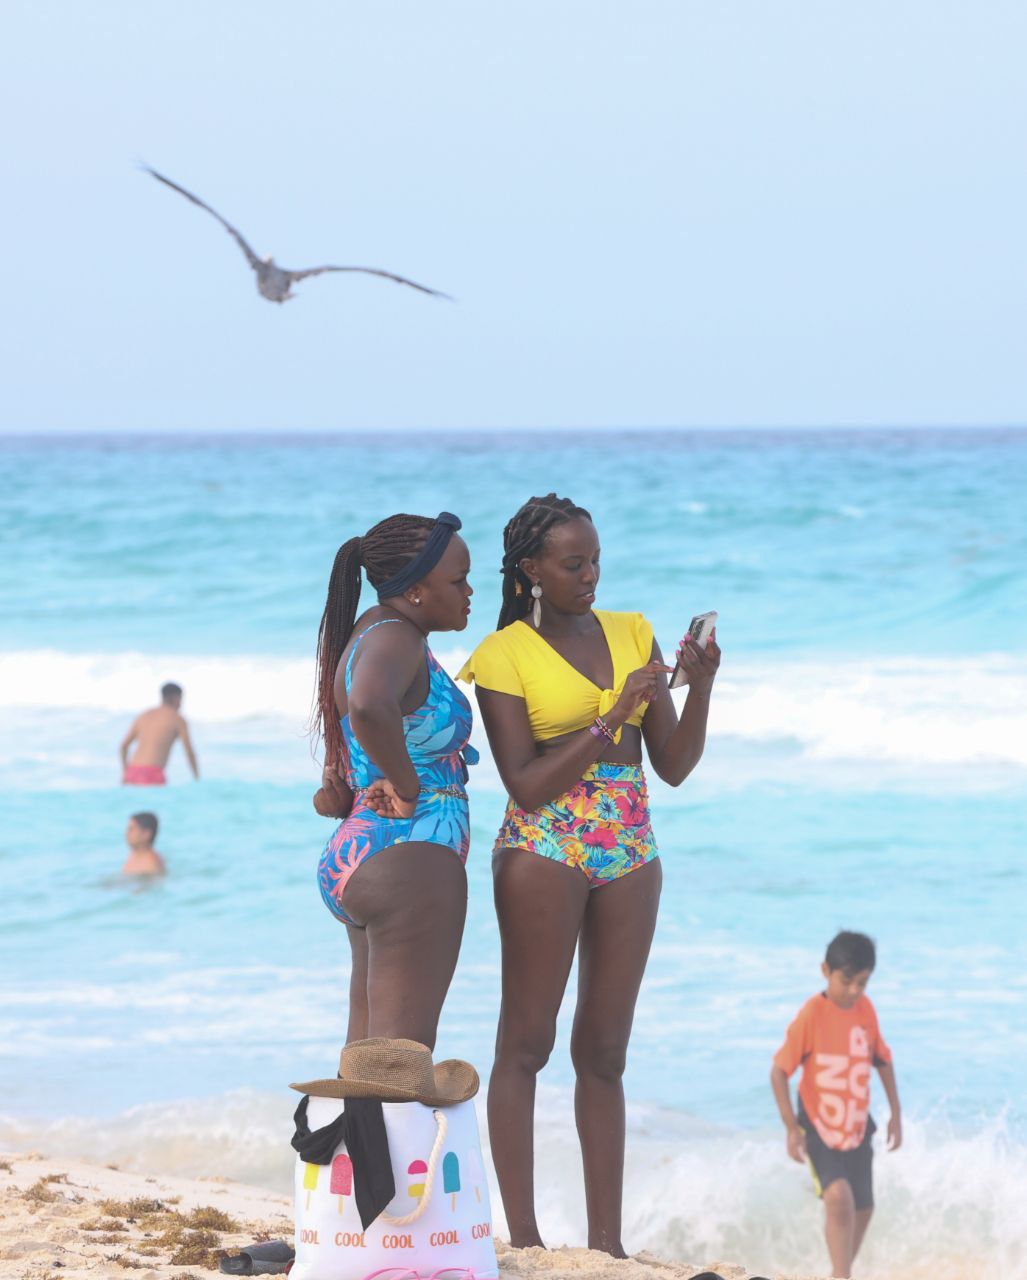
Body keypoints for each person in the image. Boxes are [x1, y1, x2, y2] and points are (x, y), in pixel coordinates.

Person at [458, 493, 721, 1257]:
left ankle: (608, 1248)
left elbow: (672, 766)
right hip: (544, 846)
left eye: (596, 561)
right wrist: (612, 715)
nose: (590, 577)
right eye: (573, 564)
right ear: (531, 571)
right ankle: (527, 1240)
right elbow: (524, 784)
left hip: (630, 844)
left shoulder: (632, 632)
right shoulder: (502, 654)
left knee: (604, 1053)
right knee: (526, 1044)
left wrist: (700, 686)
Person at [311, 511, 476, 1051]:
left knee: (369, 1061)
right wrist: (407, 786)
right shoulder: (397, 637)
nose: (469, 592)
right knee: (401, 1061)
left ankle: (352, 1116)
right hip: (409, 854)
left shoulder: (374, 628)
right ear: (415, 590)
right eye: (458, 580)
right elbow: (367, 705)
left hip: (368, 853)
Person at [770, 930, 902, 1280]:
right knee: (839, 1198)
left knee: (864, 1207)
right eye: (847, 981)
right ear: (825, 970)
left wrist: (896, 1114)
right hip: (817, 1124)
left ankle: (838, 1272)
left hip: (857, 1124)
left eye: (863, 983)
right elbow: (779, 1072)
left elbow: (882, 1059)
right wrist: (791, 1128)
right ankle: (842, 1276)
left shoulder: (865, 1010)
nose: (854, 990)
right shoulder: (813, 1013)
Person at [120, 682, 199, 785]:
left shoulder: (144, 715)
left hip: (132, 771)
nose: (181, 704)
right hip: (152, 773)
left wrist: (125, 772)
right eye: (181, 699)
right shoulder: (177, 719)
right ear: (175, 698)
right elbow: (189, 752)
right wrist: (197, 778)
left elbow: (124, 746)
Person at [121, 811, 166, 876]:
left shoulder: (150, 864)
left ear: (146, 834)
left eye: (131, 829)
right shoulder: (134, 856)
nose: (127, 833)